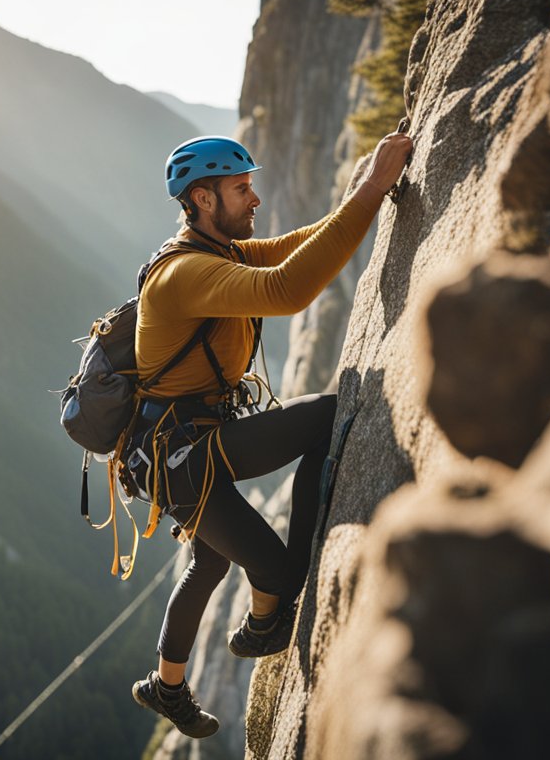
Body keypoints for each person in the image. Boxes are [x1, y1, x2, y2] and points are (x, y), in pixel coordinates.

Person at [128, 132, 412, 738]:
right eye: (241, 188)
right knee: (322, 421)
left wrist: (360, 201)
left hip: (189, 445)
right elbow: (287, 290)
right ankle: (273, 612)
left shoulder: (218, 252)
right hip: (183, 459)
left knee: (208, 564)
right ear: (203, 199)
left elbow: (283, 251)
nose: (254, 198)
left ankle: (168, 685)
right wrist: (369, 190)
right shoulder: (185, 274)